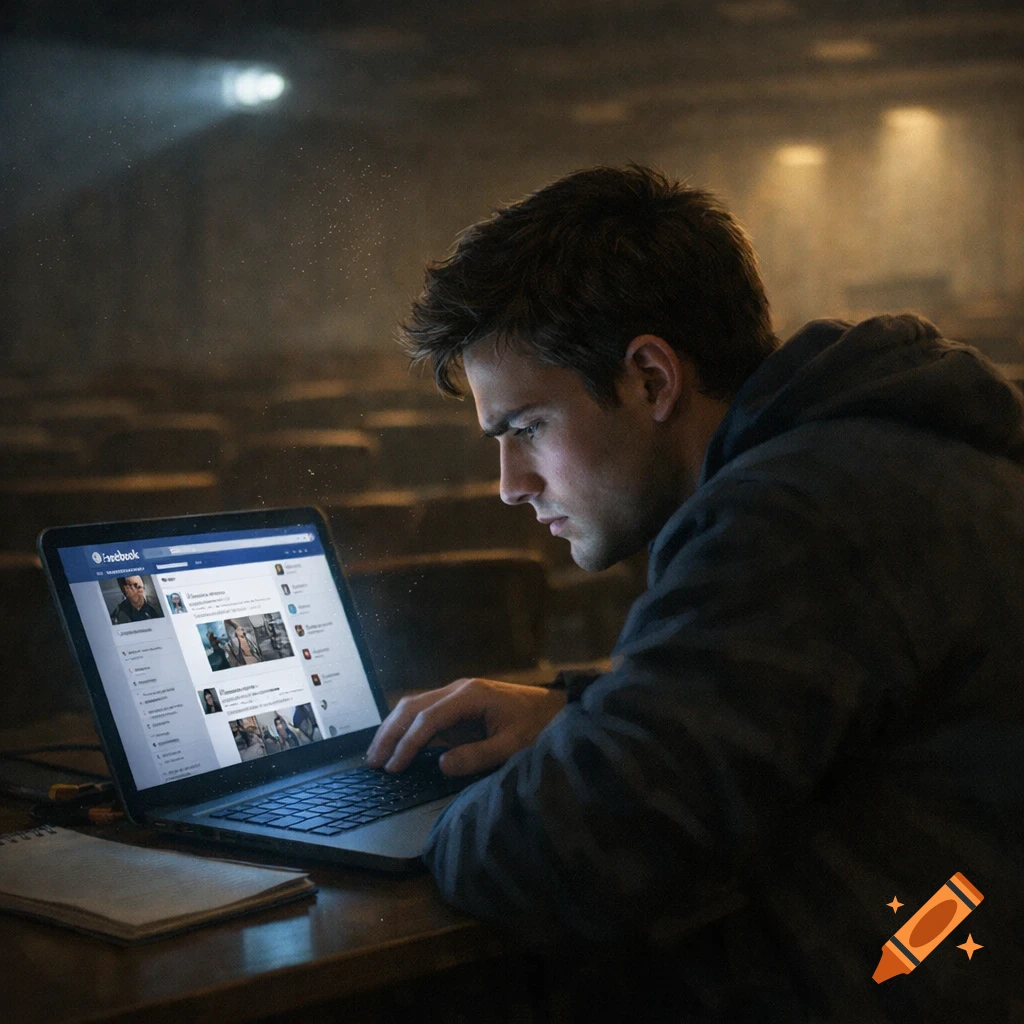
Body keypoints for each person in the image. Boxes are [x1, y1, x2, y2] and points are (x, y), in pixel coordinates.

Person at [365, 165, 1024, 1021]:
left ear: (650, 379)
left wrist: (417, 817)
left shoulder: (795, 511)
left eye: (525, 428)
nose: (508, 482)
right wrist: (583, 714)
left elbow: (583, 845)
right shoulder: (883, 454)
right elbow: (796, 713)